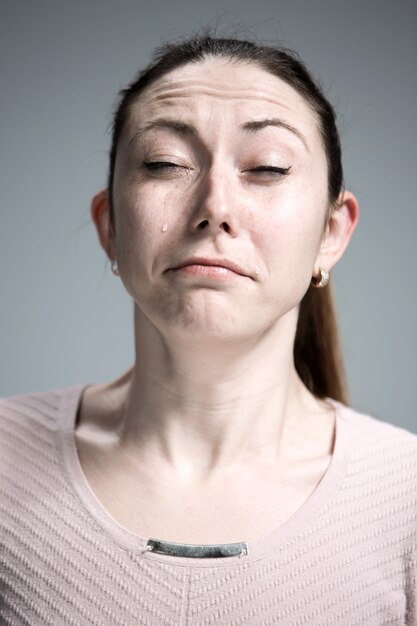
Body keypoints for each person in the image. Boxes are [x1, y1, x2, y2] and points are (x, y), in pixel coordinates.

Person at [1, 33, 416, 626]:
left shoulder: (406, 499)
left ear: (331, 233)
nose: (215, 205)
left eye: (267, 168)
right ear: (110, 227)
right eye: (165, 163)